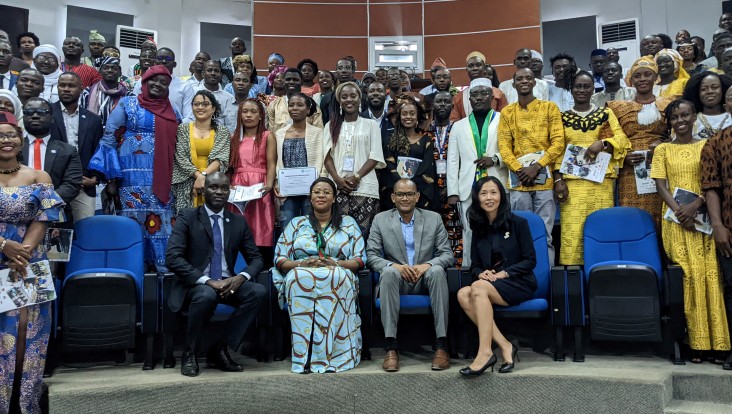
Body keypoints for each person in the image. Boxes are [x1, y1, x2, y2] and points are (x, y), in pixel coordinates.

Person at [166, 171, 266, 377]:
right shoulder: (188, 217)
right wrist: (208, 281)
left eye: (224, 188)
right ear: (204, 190)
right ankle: (189, 353)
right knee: (206, 294)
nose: (219, 192)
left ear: (229, 192)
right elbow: (173, 258)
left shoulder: (237, 222)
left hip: (228, 283)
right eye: (214, 187)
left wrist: (240, 278)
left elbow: (256, 259)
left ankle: (220, 349)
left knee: (257, 291)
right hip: (195, 285)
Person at [653, 99, 730, 364]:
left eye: (685, 115)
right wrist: (680, 211)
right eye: (675, 117)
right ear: (670, 121)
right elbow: (661, 186)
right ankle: (693, 344)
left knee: (711, 278)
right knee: (688, 279)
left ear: (694, 116)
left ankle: (719, 344)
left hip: (705, 221)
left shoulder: (707, 145)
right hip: (676, 224)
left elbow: (713, 182)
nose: (680, 121)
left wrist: (696, 205)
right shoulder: (662, 149)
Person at [0, 112, 65, 413]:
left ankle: (25, 403)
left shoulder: (40, 177)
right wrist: (4, 246)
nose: (6, 140)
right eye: (0, 135)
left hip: (30, 260)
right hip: (3, 256)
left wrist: (22, 252)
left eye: (11, 134)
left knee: (29, 328)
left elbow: (46, 218)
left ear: (21, 138)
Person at [89, 65, 181, 271]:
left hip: (163, 178)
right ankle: (130, 271)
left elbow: (179, 144)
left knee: (162, 223)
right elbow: (110, 138)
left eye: (164, 82)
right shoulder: (128, 104)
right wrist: (112, 178)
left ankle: (161, 275)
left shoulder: (173, 110)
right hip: (130, 179)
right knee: (132, 222)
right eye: (153, 80)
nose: (158, 85)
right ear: (145, 82)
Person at [272, 177, 366, 373]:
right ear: (310, 197)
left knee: (337, 278)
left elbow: (360, 260)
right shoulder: (297, 224)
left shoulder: (348, 224)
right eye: (317, 192)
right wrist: (301, 263)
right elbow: (280, 259)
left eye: (326, 192)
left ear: (334, 198)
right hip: (301, 272)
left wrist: (336, 263)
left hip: (338, 273)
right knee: (299, 279)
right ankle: (303, 357)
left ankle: (335, 356)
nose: (321, 195)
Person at [367, 178, 454, 372]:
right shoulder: (381, 220)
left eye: (409, 194)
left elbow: (447, 254)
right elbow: (371, 256)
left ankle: (441, 347)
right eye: (400, 194)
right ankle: (391, 348)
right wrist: (395, 266)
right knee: (388, 273)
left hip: (426, 278)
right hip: (398, 280)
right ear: (393, 197)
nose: (404, 198)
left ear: (417, 197)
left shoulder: (433, 218)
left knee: (438, 271)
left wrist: (427, 265)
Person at [457, 176, 536, 376]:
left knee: (477, 288)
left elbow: (530, 261)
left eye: (494, 192)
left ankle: (484, 352)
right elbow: (475, 264)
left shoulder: (518, 223)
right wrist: (481, 273)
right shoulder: (478, 228)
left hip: (519, 282)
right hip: (490, 285)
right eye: (483, 193)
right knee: (462, 294)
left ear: (501, 195)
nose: (489, 198)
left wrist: (503, 274)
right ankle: (505, 345)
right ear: (477, 198)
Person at [554, 70, 630, 265]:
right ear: (571, 89)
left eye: (586, 86)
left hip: (601, 183)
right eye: (577, 86)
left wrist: (603, 144)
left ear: (593, 89)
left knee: (602, 229)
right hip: (573, 186)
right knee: (573, 234)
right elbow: (557, 149)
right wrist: (558, 180)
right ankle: (574, 282)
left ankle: (603, 272)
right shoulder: (561, 117)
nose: (581, 90)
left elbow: (622, 139)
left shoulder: (605, 113)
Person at [498, 68, 564, 264]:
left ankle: (547, 278)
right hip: (519, 182)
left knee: (545, 234)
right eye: (520, 79)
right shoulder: (507, 112)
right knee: (519, 234)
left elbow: (559, 142)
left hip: (544, 181)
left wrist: (537, 166)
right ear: (513, 84)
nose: (524, 81)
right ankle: (523, 278)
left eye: (529, 78)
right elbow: (503, 146)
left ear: (535, 82)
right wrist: (519, 169)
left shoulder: (549, 108)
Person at [447, 80, 507, 268]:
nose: (479, 97)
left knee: (499, 229)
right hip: (468, 186)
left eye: (483, 93)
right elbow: (453, 160)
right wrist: (452, 191)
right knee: (470, 232)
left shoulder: (503, 119)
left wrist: (496, 159)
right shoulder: (458, 125)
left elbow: (512, 150)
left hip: (497, 182)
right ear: (469, 99)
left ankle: (499, 271)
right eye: (474, 94)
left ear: (492, 97)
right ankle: (469, 271)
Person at [610, 56, 674, 224]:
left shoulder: (669, 104)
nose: (643, 79)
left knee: (662, 214)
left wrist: (663, 144)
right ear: (631, 79)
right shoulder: (618, 107)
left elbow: (678, 133)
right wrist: (623, 157)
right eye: (638, 76)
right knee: (633, 217)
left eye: (647, 74)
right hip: (631, 171)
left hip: (662, 167)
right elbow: (609, 139)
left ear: (655, 77)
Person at [323, 82, 385, 240]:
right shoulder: (331, 126)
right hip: (337, 188)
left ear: (360, 99)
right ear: (339, 101)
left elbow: (375, 156)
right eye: (344, 97)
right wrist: (337, 180)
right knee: (337, 235)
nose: (349, 100)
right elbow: (326, 156)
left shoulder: (371, 125)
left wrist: (356, 177)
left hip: (365, 187)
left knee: (362, 235)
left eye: (353, 96)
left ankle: (359, 265)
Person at [51, 72, 103, 222]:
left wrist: (94, 179)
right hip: (54, 187)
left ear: (81, 89)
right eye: (62, 85)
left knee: (86, 232)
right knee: (54, 235)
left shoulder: (93, 120)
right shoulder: (46, 114)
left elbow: (98, 152)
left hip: (83, 186)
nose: (66, 89)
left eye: (71, 86)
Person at [22, 97, 82, 224]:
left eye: (41, 112)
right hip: (17, 215)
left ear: (52, 119)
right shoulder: (12, 149)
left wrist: (43, 202)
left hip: (56, 216)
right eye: (29, 112)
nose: (35, 116)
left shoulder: (68, 151)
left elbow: (72, 185)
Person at [229, 99, 276, 261]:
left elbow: (271, 164)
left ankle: (262, 266)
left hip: (260, 187)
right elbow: (230, 167)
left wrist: (269, 184)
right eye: (245, 111)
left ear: (261, 116)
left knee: (261, 227)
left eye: (253, 112)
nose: (249, 115)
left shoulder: (267, 136)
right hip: (238, 187)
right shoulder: (234, 137)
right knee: (239, 228)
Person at [172, 90, 230, 212]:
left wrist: (203, 177)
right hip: (187, 182)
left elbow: (221, 158)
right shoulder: (182, 129)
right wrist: (198, 177)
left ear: (213, 108)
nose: (200, 107)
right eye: (196, 104)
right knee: (187, 224)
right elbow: (180, 158)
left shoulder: (222, 131)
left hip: (214, 185)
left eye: (205, 104)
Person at [274, 92, 323, 228]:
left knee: (312, 227)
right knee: (287, 228)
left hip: (311, 189)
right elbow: (276, 161)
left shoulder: (318, 132)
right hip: (287, 190)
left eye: (300, 105)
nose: (294, 108)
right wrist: (277, 183)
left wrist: (320, 184)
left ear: (308, 110)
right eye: (291, 105)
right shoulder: (279, 134)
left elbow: (322, 160)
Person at [382, 95, 436, 211]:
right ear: (399, 116)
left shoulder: (426, 140)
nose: (408, 117)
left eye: (412, 113)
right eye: (404, 114)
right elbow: (389, 164)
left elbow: (427, 167)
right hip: (395, 191)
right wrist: (402, 185)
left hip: (419, 192)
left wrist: (411, 187)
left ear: (417, 117)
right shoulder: (390, 139)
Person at [430, 91, 463, 267]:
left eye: (446, 101)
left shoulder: (459, 129)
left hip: (454, 190)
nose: (442, 105)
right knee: (431, 234)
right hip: (430, 192)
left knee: (455, 232)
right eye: (438, 101)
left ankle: (456, 273)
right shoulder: (424, 131)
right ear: (432, 106)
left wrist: (451, 188)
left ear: (452, 106)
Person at [133, 47, 195, 122]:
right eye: (159, 58)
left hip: (174, 129)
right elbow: (133, 109)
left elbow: (189, 117)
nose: (164, 61)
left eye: (168, 59)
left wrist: (172, 126)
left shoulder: (185, 86)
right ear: (154, 62)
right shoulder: (142, 82)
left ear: (174, 64)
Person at [450, 51, 508, 122]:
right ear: (467, 69)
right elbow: (455, 122)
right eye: (471, 66)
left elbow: (505, 118)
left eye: (478, 65)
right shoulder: (458, 97)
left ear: (484, 68)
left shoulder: (498, 94)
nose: (475, 68)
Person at [266, 68, 323, 134]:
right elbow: (270, 132)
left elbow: (319, 130)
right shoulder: (274, 105)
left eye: (295, 80)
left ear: (301, 82)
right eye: (288, 79)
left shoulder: (311, 104)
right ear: (284, 81)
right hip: (279, 143)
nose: (291, 82)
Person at [682, 71, 732, 139]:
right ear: (697, 93)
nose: (709, 91)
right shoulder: (691, 121)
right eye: (704, 89)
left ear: (723, 89)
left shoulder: (730, 116)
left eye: (715, 87)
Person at [81, 57, 128, 126]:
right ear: (100, 71)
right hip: (93, 134)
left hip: (119, 135)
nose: (110, 70)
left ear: (120, 73)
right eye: (105, 68)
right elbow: (82, 116)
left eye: (114, 68)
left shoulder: (128, 95)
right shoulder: (88, 92)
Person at [194, 60, 237, 132]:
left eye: (216, 71)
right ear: (203, 74)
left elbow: (230, 125)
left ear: (221, 75)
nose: (213, 73)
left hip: (221, 139)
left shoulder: (229, 98)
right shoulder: (193, 92)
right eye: (209, 70)